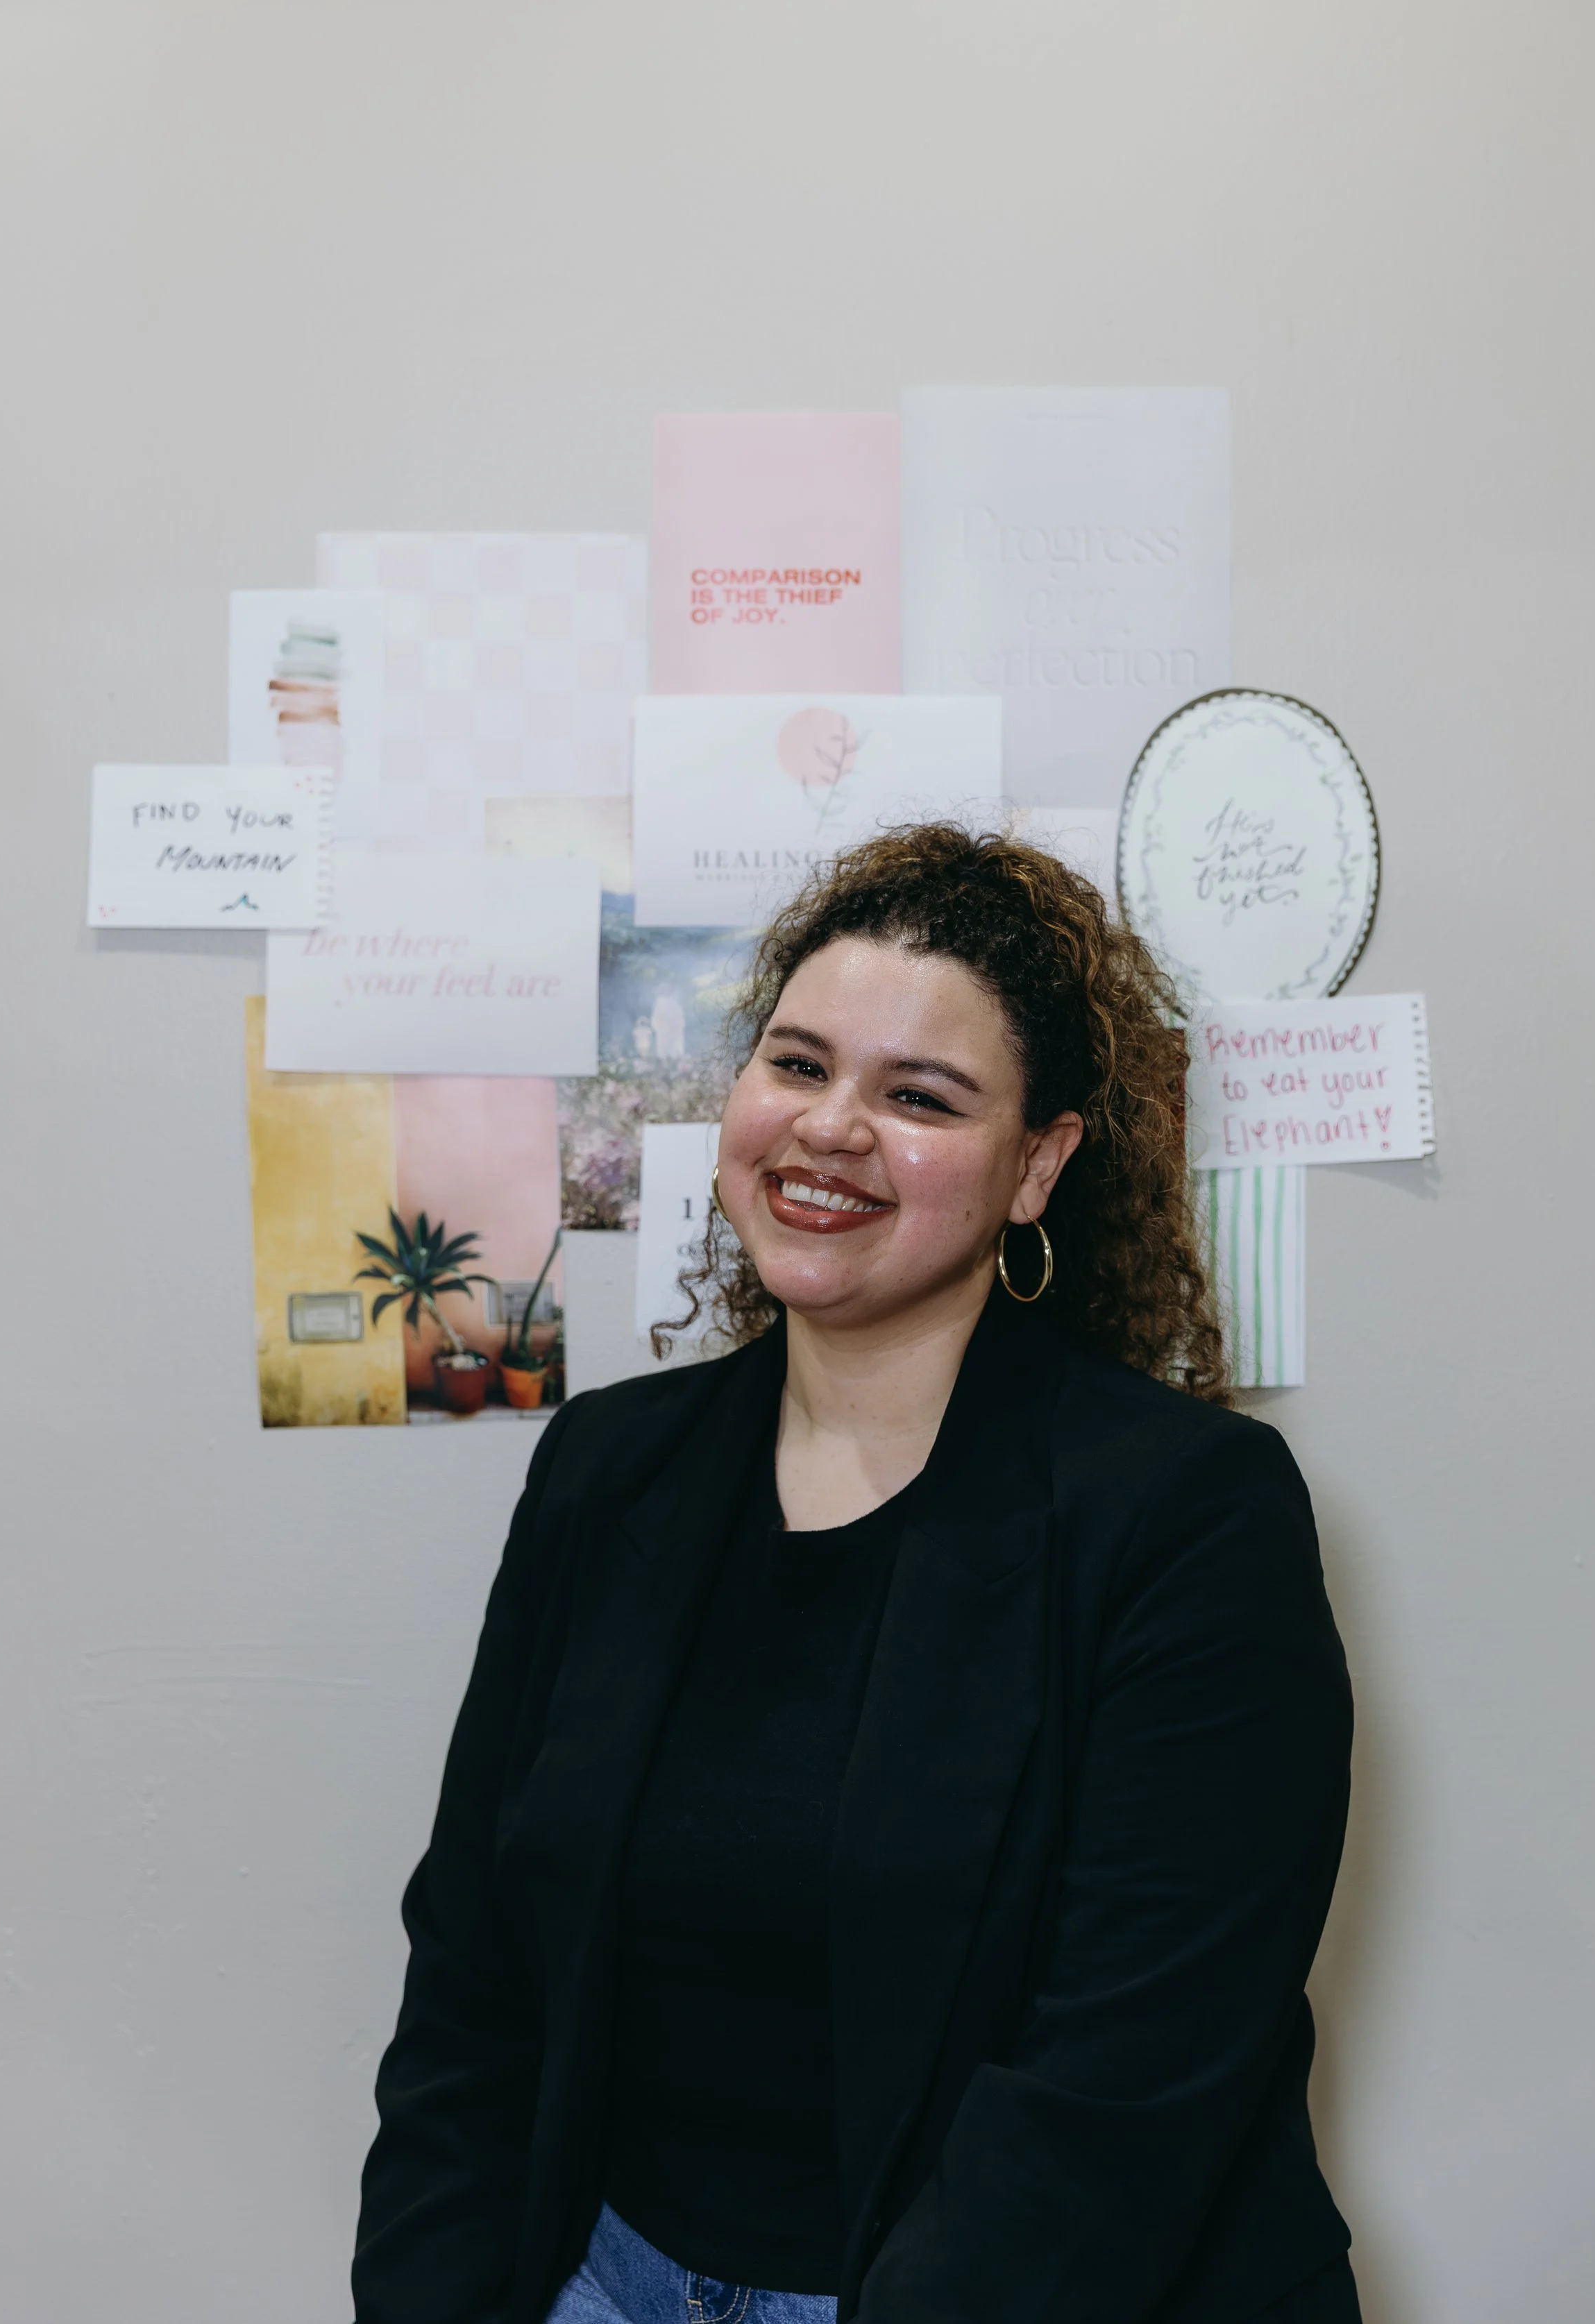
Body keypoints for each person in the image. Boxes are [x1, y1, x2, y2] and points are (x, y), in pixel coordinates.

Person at [353, 825, 1359, 2324]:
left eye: (918, 1096)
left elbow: (1123, 2094)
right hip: (602, 2278)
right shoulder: (608, 1470)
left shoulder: (1188, 1518)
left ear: (1038, 1166)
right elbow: (473, 1970)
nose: (828, 1127)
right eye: (798, 1064)